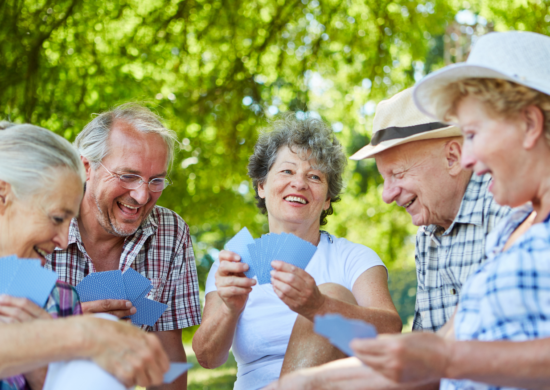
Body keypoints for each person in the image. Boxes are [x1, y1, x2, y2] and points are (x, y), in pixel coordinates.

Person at [265, 87, 510, 389]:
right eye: (384, 178)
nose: (386, 195)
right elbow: (425, 355)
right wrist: (317, 382)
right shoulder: (428, 237)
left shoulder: (507, 209)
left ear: (452, 157)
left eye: (398, 174)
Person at [350, 30, 550, 390]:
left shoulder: (505, 213)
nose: (470, 157)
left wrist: (447, 360)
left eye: (473, 133)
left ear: (530, 125)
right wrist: (311, 383)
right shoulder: (514, 227)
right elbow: (433, 349)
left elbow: (443, 355)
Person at [192, 114, 402, 390]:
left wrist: (319, 306)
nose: (299, 183)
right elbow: (207, 358)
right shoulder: (234, 263)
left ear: (328, 199)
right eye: (287, 171)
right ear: (262, 186)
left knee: (333, 293)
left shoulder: (353, 257)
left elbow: (391, 331)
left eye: (314, 176)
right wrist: (229, 308)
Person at [0, 122, 169, 389]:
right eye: (56, 217)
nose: (64, 240)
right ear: (3, 195)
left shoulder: (58, 300)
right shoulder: (72, 327)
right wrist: (77, 334)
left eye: (69, 220)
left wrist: (43, 367)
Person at [44, 104, 201, 390]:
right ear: (87, 167)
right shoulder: (39, 220)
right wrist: (65, 326)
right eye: (128, 176)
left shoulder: (170, 233)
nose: (142, 196)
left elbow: (168, 356)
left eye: (156, 180)